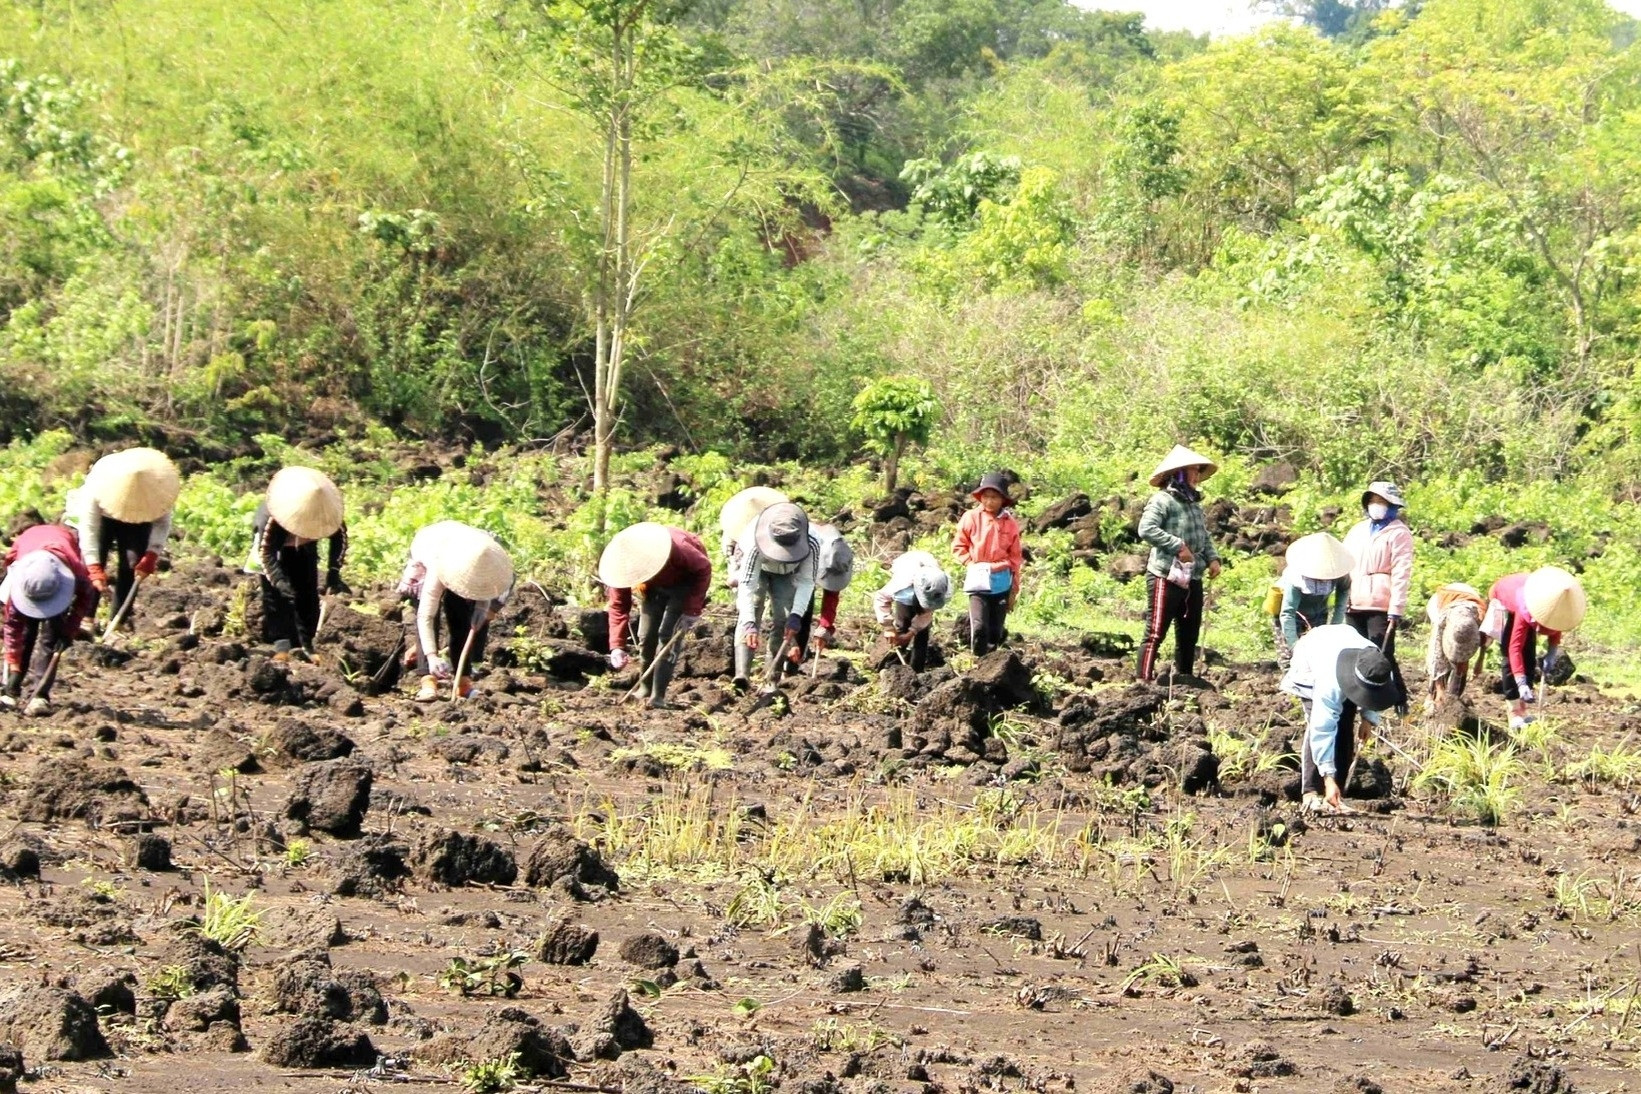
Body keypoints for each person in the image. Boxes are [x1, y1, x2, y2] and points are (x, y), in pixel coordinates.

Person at [1280, 623, 1403, 814]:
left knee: (1345, 727)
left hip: (1345, 647)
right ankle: (1311, 793)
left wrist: (1367, 719)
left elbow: (1378, 691)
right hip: (1312, 659)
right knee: (1319, 726)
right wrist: (1328, 778)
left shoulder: (1377, 663)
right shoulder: (1328, 683)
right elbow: (1323, 728)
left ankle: (1336, 797)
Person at [599, 521, 711, 709]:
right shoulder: (622, 565)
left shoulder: (677, 547)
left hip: (684, 582)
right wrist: (616, 646)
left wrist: (692, 609)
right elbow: (618, 606)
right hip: (651, 587)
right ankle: (644, 687)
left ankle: (658, 696)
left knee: (668, 636)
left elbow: (703, 568)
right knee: (646, 636)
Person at [400, 522, 515, 702]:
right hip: (432, 549)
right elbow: (426, 617)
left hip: (462, 550)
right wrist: (432, 656)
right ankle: (428, 681)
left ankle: (463, 683)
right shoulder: (437, 567)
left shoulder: (487, 562)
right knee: (431, 618)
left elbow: (484, 592)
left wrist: (480, 612)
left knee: (461, 618)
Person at [1136, 445, 1222, 681]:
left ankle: (1185, 680)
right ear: (1180, 474)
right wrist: (1177, 546)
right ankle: (1142, 680)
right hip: (1165, 574)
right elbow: (1146, 529)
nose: (1196, 476)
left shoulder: (1194, 503)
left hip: (1192, 575)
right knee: (1155, 631)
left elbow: (1203, 535)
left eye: (1197, 471)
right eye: (1192, 471)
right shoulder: (1162, 501)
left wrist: (1213, 558)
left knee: (1188, 633)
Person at [74, 448, 180, 631]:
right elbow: (89, 528)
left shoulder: (158, 489)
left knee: (132, 565)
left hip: (140, 519)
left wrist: (152, 553)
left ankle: (118, 620)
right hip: (105, 519)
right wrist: (93, 566)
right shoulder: (99, 485)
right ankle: (86, 617)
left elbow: (162, 523)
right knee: (94, 561)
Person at [253, 467, 349, 659]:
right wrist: (278, 580)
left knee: (307, 591)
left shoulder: (327, 513)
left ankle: (307, 644)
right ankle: (282, 644)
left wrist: (333, 571)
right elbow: (266, 554)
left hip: (305, 547)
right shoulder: (271, 518)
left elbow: (340, 540)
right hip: (277, 549)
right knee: (275, 595)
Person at [1, 522, 95, 716]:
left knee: (51, 637)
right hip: (28, 557)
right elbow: (12, 626)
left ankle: (40, 695)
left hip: (58, 563)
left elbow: (85, 600)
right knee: (26, 632)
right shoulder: (19, 576)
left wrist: (69, 631)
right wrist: (13, 663)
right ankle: (12, 687)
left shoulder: (76, 574)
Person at [1486, 566, 1585, 730]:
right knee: (1510, 661)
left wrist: (1552, 653)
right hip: (1504, 601)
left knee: (1529, 657)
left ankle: (1523, 710)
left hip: (1531, 596)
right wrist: (1521, 682)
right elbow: (1514, 649)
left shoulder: (1555, 606)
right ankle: (1513, 713)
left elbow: (1555, 629)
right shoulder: (1523, 608)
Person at [734, 502, 819, 691]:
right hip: (760, 568)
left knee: (784, 618)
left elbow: (806, 582)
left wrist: (797, 615)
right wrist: (749, 623)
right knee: (753, 608)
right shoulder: (754, 540)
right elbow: (747, 585)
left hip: (789, 573)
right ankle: (742, 676)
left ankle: (771, 678)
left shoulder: (812, 541)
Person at [952, 472, 1023, 657]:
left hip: (1001, 581)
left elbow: (1015, 558)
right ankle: (977, 662)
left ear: (1002, 499)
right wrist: (971, 563)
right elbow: (959, 545)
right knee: (980, 627)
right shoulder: (971, 517)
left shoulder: (1010, 524)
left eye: (994, 497)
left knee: (995, 632)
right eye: (986, 497)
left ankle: (990, 665)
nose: (989, 501)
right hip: (978, 580)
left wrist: (1013, 590)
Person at [1343, 481, 1413, 656]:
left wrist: (1396, 608)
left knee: (1381, 656)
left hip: (1380, 604)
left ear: (1391, 505)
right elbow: (1344, 561)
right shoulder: (1357, 530)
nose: (1376, 505)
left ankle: (1394, 685)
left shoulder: (1399, 533)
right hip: (1354, 601)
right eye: (1373, 501)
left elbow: (1401, 572)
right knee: (1355, 655)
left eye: (1381, 501)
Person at [1273, 533, 1353, 669]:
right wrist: (1294, 645)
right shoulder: (1296, 578)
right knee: (1289, 657)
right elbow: (1287, 613)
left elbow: (1342, 600)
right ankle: (1291, 686)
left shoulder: (1340, 573)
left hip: (1319, 613)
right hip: (1293, 615)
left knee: (1318, 652)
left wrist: (1334, 627)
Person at [872, 551, 951, 672]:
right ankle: (895, 666)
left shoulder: (943, 587)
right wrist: (888, 628)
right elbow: (881, 598)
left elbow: (927, 612)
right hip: (907, 567)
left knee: (922, 633)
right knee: (903, 623)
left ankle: (917, 670)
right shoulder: (902, 586)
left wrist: (912, 633)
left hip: (928, 568)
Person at [796, 524, 854, 671]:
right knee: (800, 615)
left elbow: (832, 595)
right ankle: (784, 666)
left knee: (805, 620)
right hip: (795, 569)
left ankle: (793, 667)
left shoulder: (840, 556)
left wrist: (825, 627)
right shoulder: (806, 544)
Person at [1424, 582, 1488, 705]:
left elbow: (1484, 642)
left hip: (1467, 609)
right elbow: (1436, 657)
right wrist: (1439, 689)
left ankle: (1453, 700)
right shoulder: (1439, 618)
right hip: (1442, 604)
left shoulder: (1480, 617)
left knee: (1461, 663)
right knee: (1442, 660)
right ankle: (1433, 696)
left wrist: (1480, 661)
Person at [719, 487, 788, 589]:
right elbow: (731, 556)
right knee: (755, 597)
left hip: (775, 563)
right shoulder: (733, 533)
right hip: (748, 563)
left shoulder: (780, 528)